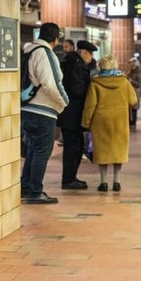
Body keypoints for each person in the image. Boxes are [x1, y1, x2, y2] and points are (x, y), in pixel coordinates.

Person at [20, 22, 69, 204]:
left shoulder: (29, 51)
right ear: (55, 39)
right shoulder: (45, 53)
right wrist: (65, 102)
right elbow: (52, 83)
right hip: (43, 110)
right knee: (42, 152)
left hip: (26, 107)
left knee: (33, 149)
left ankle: (25, 186)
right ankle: (35, 192)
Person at [81, 55, 138, 192]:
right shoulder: (124, 82)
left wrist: (86, 122)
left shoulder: (95, 83)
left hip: (101, 121)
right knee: (118, 151)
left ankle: (103, 182)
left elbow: (90, 105)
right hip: (120, 121)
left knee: (102, 152)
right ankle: (117, 181)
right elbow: (133, 101)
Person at [57, 40, 98, 190]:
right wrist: (90, 87)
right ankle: (68, 179)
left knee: (76, 146)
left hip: (70, 113)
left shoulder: (72, 62)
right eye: (90, 54)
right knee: (73, 147)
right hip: (71, 114)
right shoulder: (76, 65)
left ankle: (70, 177)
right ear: (83, 53)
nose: (91, 58)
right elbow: (76, 89)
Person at [126, 57, 141, 128]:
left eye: (131, 65)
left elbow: (139, 84)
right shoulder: (130, 72)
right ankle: (129, 122)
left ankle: (133, 123)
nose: (130, 66)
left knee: (134, 109)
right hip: (129, 91)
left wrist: (131, 81)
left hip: (136, 92)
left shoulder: (138, 73)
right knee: (129, 108)